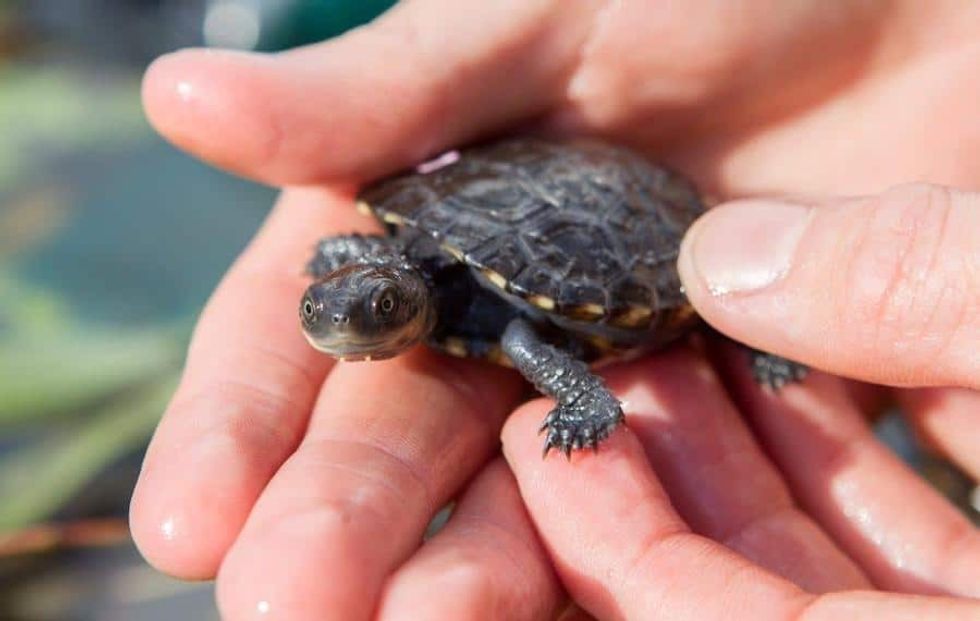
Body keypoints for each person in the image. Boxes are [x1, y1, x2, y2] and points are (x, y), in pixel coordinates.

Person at [129, 2, 980, 619]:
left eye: (378, 307)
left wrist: (580, 403)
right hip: (531, 186)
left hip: (634, 216)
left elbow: (584, 384)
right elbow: (363, 258)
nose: (346, 314)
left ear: (407, 303)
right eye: (329, 307)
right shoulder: (385, 255)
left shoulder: (512, 327)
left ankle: (758, 338)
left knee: (710, 301)